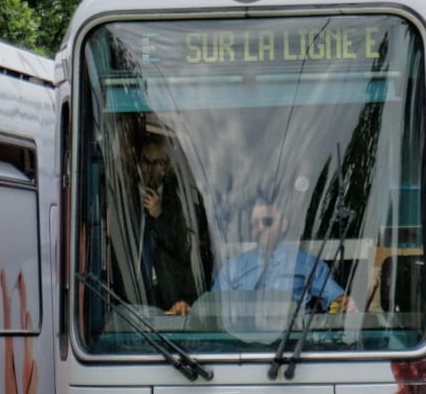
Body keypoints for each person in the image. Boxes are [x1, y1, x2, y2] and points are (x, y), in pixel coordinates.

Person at [202, 195, 348, 307]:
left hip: (296, 343)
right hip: (242, 344)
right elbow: (212, 311)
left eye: (267, 221)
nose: (260, 227)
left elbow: (336, 300)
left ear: (283, 225)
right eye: (254, 223)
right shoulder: (232, 268)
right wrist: (185, 311)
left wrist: (344, 304)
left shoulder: (307, 264)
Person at [125, 135, 208, 314]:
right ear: (138, 164)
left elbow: (185, 250)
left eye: (158, 163)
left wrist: (160, 216)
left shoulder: (180, 200)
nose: (151, 169)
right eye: (146, 162)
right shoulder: (125, 200)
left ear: (166, 167)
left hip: (174, 297)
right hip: (136, 295)